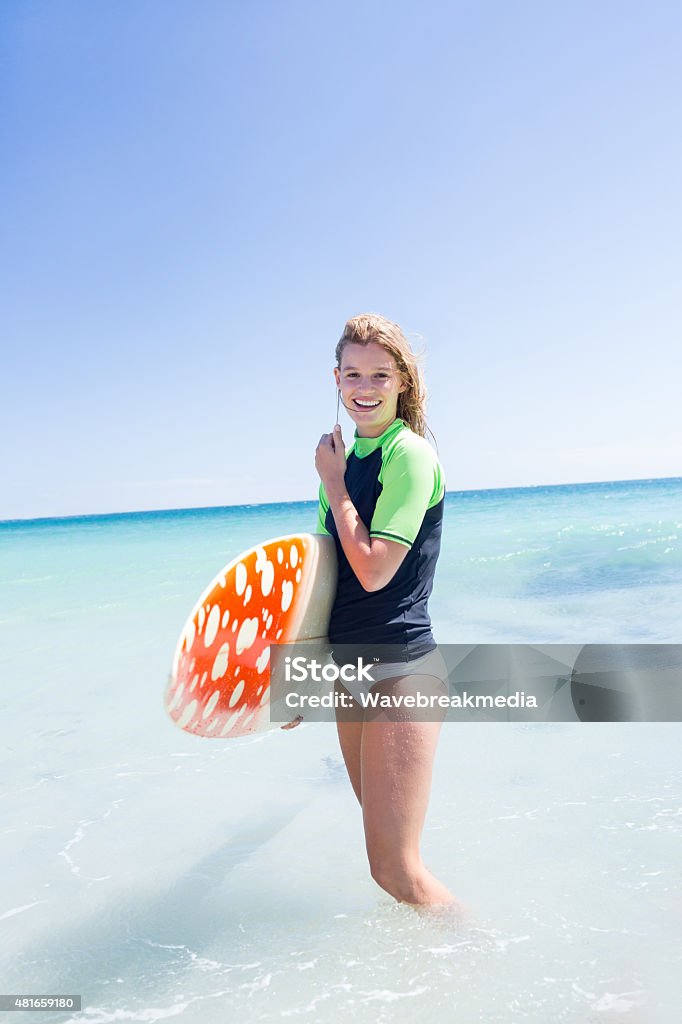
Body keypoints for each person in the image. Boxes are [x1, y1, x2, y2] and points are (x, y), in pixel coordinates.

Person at [315, 313, 458, 909]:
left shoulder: (410, 455)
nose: (364, 388)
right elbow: (323, 578)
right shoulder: (343, 461)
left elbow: (374, 571)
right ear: (337, 379)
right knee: (383, 864)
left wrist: (335, 483)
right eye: (353, 375)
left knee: (397, 869)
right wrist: (296, 677)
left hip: (400, 670)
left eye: (379, 374)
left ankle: (488, 963)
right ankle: (426, 986)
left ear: (402, 380)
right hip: (347, 671)